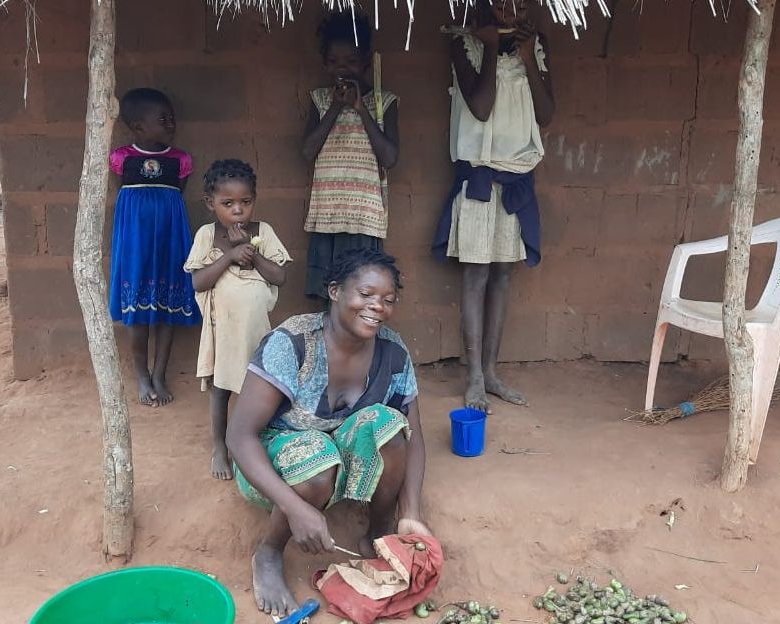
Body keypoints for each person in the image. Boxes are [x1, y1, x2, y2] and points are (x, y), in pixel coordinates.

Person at [226, 249, 431, 617]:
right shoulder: (293, 342)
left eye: (388, 300)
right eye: (366, 294)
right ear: (335, 291)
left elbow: (413, 437)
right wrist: (295, 508)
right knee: (318, 463)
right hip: (273, 465)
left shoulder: (392, 351)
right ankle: (270, 551)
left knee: (390, 426)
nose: (377, 307)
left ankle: (378, 532)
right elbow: (239, 436)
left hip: (336, 457)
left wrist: (411, 512)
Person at [432, 0, 555, 413]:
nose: (509, 11)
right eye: (501, 4)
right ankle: (474, 379)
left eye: (518, 5)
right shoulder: (463, 46)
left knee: (503, 276)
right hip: (480, 180)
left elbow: (547, 113)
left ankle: (492, 371)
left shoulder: (534, 49)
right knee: (476, 276)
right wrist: (487, 50)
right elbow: (481, 107)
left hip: (516, 181)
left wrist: (527, 56)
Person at [185, 159, 291, 481]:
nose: (237, 211)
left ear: (254, 201)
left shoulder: (264, 232)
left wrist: (252, 253)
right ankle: (220, 445)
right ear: (210, 203)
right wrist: (230, 255)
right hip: (223, 334)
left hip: (256, 333)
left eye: (245, 203)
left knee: (260, 389)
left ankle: (255, 440)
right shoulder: (207, 235)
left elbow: (280, 276)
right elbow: (198, 282)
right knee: (221, 390)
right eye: (227, 203)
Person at [108, 87, 201, 407]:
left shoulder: (181, 160)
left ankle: (160, 373)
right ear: (138, 127)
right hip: (136, 244)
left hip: (170, 240)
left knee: (167, 311)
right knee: (137, 313)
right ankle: (142, 375)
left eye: (172, 116)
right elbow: (122, 197)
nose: (171, 122)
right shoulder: (122, 158)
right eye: (162, 118)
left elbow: (177, 197)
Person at [301, 10, 400, 301]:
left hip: (364, 220)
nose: (341, 69)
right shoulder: (319, 100)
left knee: (362, 297)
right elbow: (307, 151)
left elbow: (390, 157)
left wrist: (360, 108)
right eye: (333, 62)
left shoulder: (384, 103)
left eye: (351, 62)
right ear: (324, 62)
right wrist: (334, 107)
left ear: (367, 63)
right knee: (328, 297)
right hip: (326, 218)